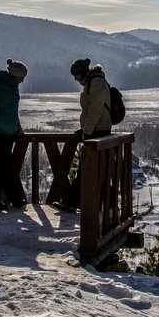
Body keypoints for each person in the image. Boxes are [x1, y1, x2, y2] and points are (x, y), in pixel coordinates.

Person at [53, 58, 112, 212]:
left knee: (87, 168)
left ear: (82, 73)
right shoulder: (92, 82)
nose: (75, 79)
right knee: (89, 168)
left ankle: (74, 203)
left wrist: (88, 130)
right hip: (95, 129)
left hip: (97, 131)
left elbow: (95, 109)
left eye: (76, 75)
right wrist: (86, 128)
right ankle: (85, 204)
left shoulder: (96, 82)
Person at [0, 58, 28, 210]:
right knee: (2, 167)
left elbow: (13, 112)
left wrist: (18, 127)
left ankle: (12, 199)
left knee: (4, 167)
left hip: (9, 133)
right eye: (21, 77)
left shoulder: (13, 88)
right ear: (15, 75)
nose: (22, 81)